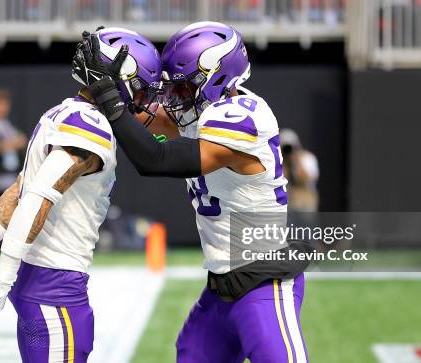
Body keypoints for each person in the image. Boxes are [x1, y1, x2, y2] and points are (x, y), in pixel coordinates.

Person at [0, 28, 161, 363]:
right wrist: (0, 282)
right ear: (121, 78)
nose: (144, 98)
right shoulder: (90, 126)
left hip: (36, 280)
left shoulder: (63, 112)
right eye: (142, 86)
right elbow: (34, 199)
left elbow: (19, 190)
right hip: (55, 286)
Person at [75, 22, 308, 362]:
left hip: (264, 284)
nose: (173, 98)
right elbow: (138, 119)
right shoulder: (199, 110)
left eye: (183, 89)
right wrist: (109, 83)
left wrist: (109, 98)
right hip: (221, 286)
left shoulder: (243, 117)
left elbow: (155, 158)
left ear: (216, 79)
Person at [281, 128, 320, 213]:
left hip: (305, 207)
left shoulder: (308, 158)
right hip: (288, 208)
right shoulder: (279, 163)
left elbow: (306, 181)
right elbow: (281, 182)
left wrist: (296, 162)